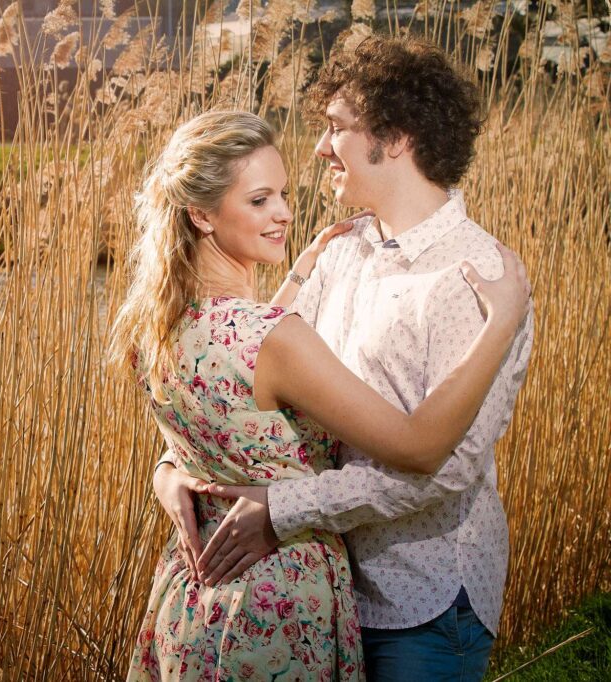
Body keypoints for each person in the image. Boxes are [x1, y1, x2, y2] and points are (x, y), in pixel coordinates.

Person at [153, 38, 536, 681]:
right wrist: (174, 465)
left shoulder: (479, 277)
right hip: (322, 586)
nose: (319, 148)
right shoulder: (340, 249)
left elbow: (441, 470)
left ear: (397, 137)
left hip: (421, 600)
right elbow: (247, 381)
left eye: (336, 127)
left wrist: (284, 510)